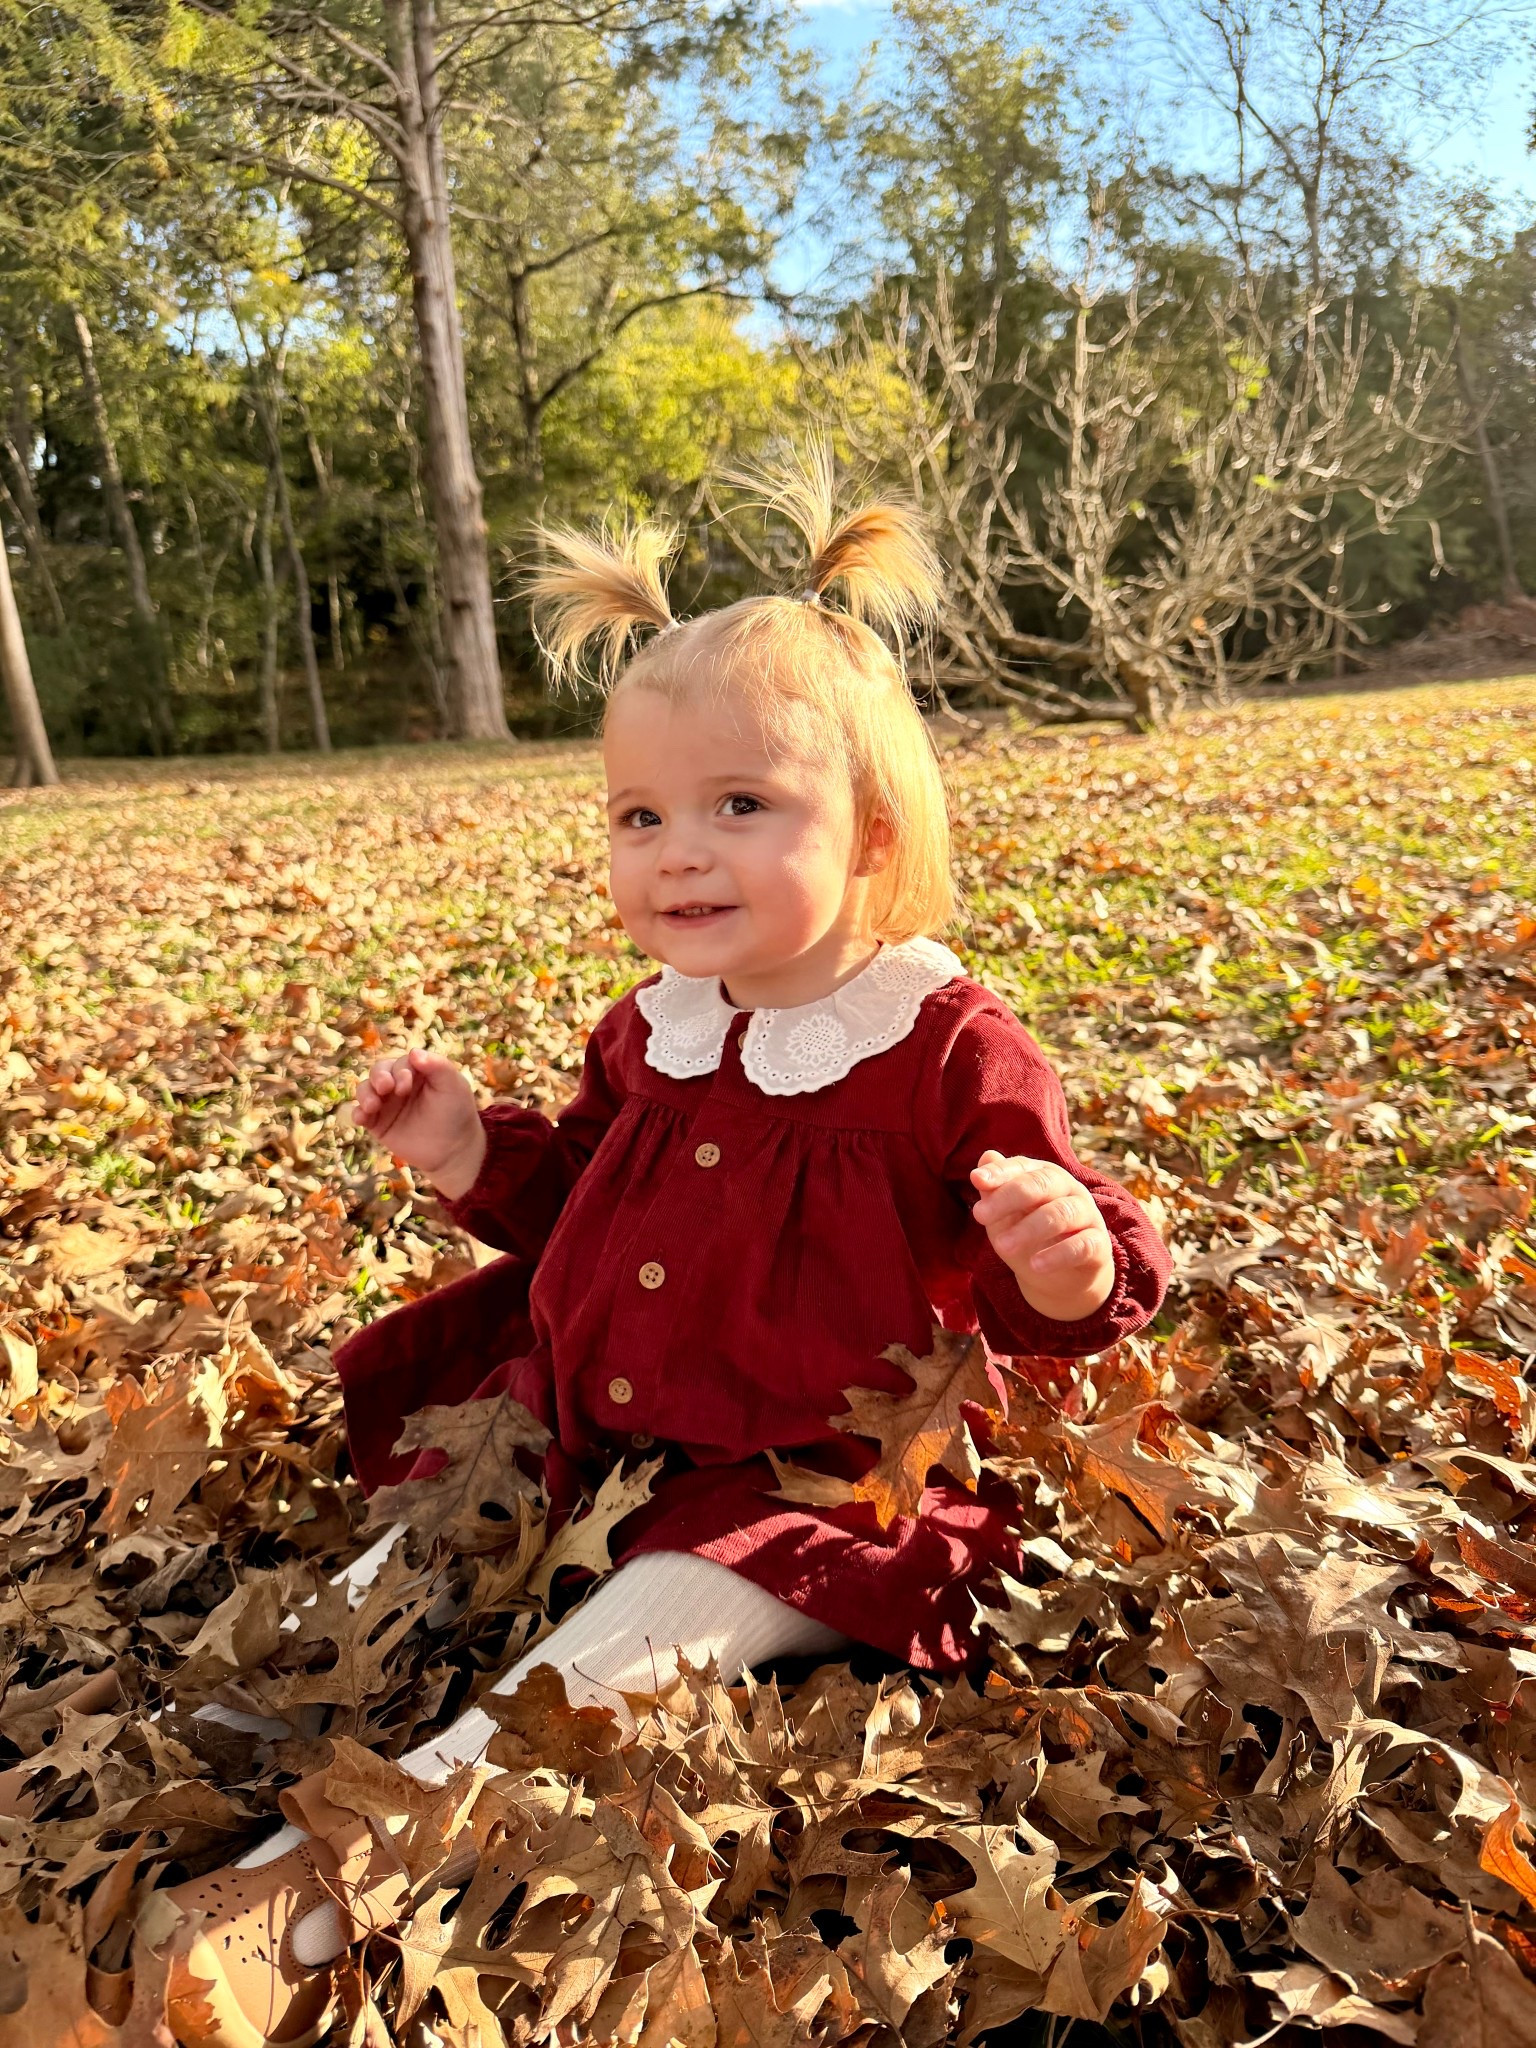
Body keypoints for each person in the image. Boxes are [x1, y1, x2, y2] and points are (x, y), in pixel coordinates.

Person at [141, 448, 1170, 2047]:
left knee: (622, 1648)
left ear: (877, 833)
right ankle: (289, 1690)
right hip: (596, 1435)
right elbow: (595, 1214)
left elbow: (1058, 1254)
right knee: (424, 1533)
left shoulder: (941, 1044)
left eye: (739, 807)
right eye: (640, 815)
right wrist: (476, 1152)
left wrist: (1067, 1266)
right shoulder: (658, 1028)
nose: (677, 851)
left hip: (806, 1486)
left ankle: (342, 1864)